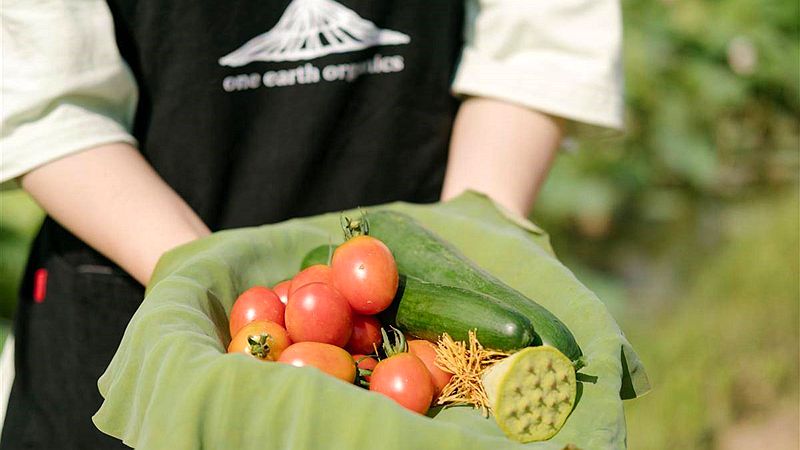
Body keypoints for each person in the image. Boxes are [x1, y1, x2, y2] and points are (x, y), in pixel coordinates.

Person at [0, 0, 623, 447]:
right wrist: (211, 289)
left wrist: (464, 260)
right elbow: (47, 98)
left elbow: (538, 38)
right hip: (137, 290)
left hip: (411, 325)